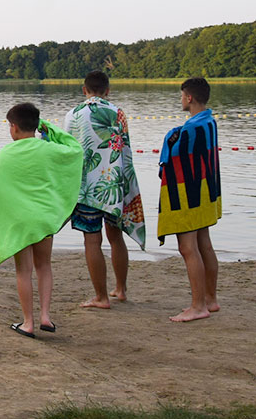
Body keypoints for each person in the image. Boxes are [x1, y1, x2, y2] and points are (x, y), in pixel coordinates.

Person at [0, 103, 83, 338]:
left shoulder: (8, 153)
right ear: (36, 126)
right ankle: (46, 316)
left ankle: (28, 323)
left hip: (21, 222)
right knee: (44, 265)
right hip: (43, 218)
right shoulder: (49, 149)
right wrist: (50, 129)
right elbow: (75, 149)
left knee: (23, 271)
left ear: (14, 127)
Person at [64, 70, 146, 308]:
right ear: (108, 90)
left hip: (88, 187)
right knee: (115, 236)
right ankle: (120, 289)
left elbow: (68, 150)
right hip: (115, 182)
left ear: (84, 90)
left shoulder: (74, 114)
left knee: (92, 240)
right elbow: (125, 148)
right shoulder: (118, 112)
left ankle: (100, 297)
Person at [158, 77, 221, 322]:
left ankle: (198, 306)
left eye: (182, 95)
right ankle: (211, 299)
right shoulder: (209, 122)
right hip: (206, 192)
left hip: (189, 195)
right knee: (204, 243)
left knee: (187, 248)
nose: (181, 99)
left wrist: (172, 137)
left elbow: (172, 160)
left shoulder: (191, 129)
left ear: (189, 97)